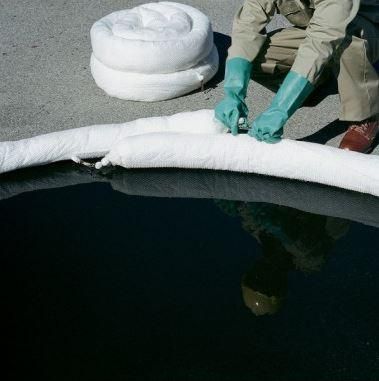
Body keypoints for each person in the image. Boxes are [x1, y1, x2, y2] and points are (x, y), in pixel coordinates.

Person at [215, 0, 379, 153]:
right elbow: (248, 24)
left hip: (363, 30)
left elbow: (319, 46)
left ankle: (366, 115)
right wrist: (233, 92)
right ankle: (309, 87)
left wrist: (280, 109)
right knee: (254, 54)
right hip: (316, 28)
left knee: (347, 41)